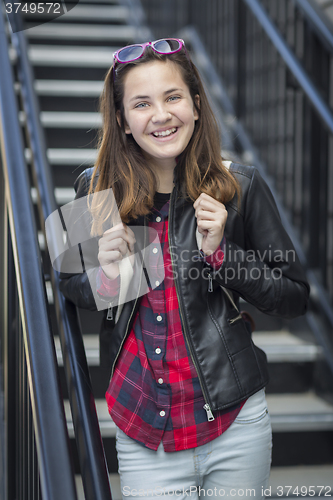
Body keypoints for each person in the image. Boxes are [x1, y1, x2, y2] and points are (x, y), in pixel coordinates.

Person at [59, 39, 309, 499]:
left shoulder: (242, 186)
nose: (161, 115)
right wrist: (109, 272)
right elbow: (68, 284)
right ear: (121, 120)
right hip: (143, 428)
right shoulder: (91, 189)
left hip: (237, 423)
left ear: (195, 105)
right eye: (141, 103)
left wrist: (221, 254)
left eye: (173, 97)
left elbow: (295, 296)